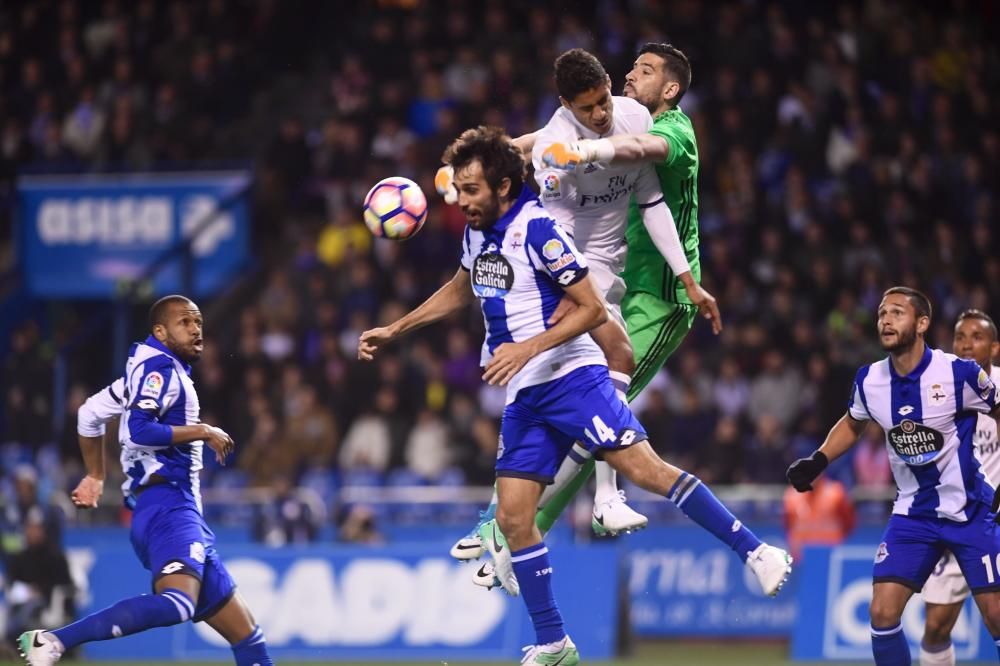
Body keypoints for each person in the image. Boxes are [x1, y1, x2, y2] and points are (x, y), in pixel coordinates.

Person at [359, 126, 790, 664]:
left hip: (572, 377)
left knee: (646, 471)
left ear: (505, 186)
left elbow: (591, 309)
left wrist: (527, 347)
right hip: (526, 393)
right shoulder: (476, 233)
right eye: (460, 188)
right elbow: (463, 285)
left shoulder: (538, 230)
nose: (461, 200)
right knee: (514, 519)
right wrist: (394, 330)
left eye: (471, 190)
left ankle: (757, 551)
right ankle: (554, 643)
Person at [445, 46, 722, 567]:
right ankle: (522, 526)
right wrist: (480, 162)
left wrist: (687, 279)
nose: (628, 76)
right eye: (631, 66)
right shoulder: (575, 128)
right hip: (593, 273)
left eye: (644, 70)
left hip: (657, 297)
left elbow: (644, 153)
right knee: (587, 402)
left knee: (598, 415)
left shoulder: (669, 128)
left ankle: (519, 531)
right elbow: (549, 160)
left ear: (669, 89)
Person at [18, 295, 274, 666]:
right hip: (168, 506)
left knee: (246, 634)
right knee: (179, 603)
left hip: (163, 509)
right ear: (160, 331)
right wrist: (202, 430)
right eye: (185, 322)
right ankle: (54, 640)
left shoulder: (138, 376)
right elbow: (139, 430)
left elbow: (88, 414)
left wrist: (95, 474)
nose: (196, 329)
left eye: (198, 322)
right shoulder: (161, 372)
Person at [787, 288, 1000, 666]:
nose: (885, 319)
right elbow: (853, 424)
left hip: (971, 512)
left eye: (897, 313)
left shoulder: (957, 373)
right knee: (883, 614)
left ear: (921, 324)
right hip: (913, 515)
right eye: (882, 312)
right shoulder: (869, 380)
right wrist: (818, 460)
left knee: (996, 616)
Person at [918, 309, 1000, 666]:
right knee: (935, 627)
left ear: (994, 347)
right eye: (960, 338)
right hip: (956, 518)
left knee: (996, 617)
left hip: (994, 519)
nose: (966, 345)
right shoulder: (941, 388)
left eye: (976, 337)